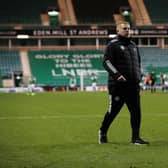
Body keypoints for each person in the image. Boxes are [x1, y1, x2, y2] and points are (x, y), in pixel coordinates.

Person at [98, 21, 149, 145]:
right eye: (124, 28)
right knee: (113, 112)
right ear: (118, 31)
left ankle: (135, 138)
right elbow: (106, 62)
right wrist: (117, 75)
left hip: (133, 86)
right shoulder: (112, 45)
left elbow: (138, 63)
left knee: (136, 112)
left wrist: (139, 76)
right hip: (118, 86)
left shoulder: (133, 46)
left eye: (129, 28)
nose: (127, 30)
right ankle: (103, 131)